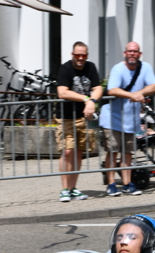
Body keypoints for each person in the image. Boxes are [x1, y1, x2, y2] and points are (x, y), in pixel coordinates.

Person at [99, 42, 155, 197]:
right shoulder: (118, 68)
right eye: (129, 51)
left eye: (135, 51)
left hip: (131, 119)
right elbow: (112, 89)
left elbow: (153, 86)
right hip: (112, 117)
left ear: (139, 54)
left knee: (128, 153)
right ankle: (111, 184)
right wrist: (133, 95)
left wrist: (140, 93)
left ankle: (127, 184)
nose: (132, 54)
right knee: (113, 150)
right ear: (125, 53)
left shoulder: (145, 67)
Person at [55, 41, 102, 202]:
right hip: (66, 116)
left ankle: (73, 188)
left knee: (79, 152)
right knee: (67, 151)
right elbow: (62, 92)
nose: (80, 58)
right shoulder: (66, 68)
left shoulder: (91, 67)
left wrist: (92, 102)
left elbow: (98, 87)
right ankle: (64, 189)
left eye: (83, 55)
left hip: (84, 116)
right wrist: (86, 98)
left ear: (87, 55)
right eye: (77, 55)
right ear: (72, 55)